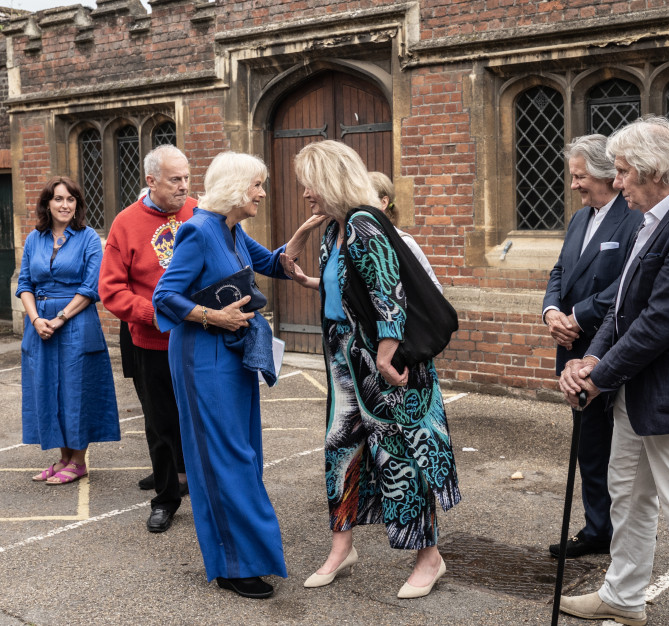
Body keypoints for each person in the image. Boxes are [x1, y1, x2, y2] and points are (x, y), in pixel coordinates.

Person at [559, 116, 669, 626]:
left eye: (621, 172)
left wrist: (596, 376)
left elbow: (662, 321)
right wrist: (592, 357)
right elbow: (622, 303)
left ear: (652, 171)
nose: (615, 183)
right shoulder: (652, 216)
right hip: (634, 393)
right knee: (628, 498)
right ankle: (623, 594)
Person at [282, 140, 461, 600]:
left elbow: (388, 291)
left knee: (401, 453)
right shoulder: (336, 228)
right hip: (345, 356)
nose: (305, 193)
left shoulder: (364, 222)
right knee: (341, 450)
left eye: (310, 184)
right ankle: (342, 547)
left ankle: (429, 558)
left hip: (383, 357)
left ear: (330, 181)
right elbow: (350, 285)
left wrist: (385, 352)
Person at [153, 151, 315, 600]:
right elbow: (165, 296)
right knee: (223, 459)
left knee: (243, 454)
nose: (262, 192)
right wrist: (214, 317)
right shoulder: (197, 230)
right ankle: (231, 565)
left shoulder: (232, 230)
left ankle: (246, 556)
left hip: (232, 354)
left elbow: (272, 262)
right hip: (203, 356)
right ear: (237, 189)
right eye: (257, 185)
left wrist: (303, 235)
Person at [541, 134, 642, 559]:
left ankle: (630, 534)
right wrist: (551, 313)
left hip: (613, 349)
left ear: (606, 175)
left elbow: (629, 285)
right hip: (572, 350)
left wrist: (579, 315)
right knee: (590, 444)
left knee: (626, 452)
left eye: (580, 176)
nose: (574, 185)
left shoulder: (634, 216)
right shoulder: (580, 219)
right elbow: (560, 271)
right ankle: (598, 528)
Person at [100, 144, 195, 533]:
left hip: (197, 338)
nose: (184, 187)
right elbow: (111, 289)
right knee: (159, 422)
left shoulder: (198, 211)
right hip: (151, 341)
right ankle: (166, 497)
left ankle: (200, 487)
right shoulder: (125, 223)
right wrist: (151, 314)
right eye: (176, 180)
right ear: (150, 181)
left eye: (187, 178)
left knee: (198, 417)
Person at [16, 177, 120, 485]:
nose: (65, 205)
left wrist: (59, 318)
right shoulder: (34, 239)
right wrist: (35, 320)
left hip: (76, 322)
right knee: (48, 389)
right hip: (39, 324)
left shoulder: (88, 238)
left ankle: (78, 461)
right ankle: (63, 457)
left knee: (76, 389)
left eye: (71, 200)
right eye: (59, 199)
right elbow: (24, 284)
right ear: (47, 204)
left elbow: (91, 287)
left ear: (77, 205)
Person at [368, 171, 443, 292]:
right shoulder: (356, 241)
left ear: (384, 203)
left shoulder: (404, 242)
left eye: (365, 201)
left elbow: (435, 288)